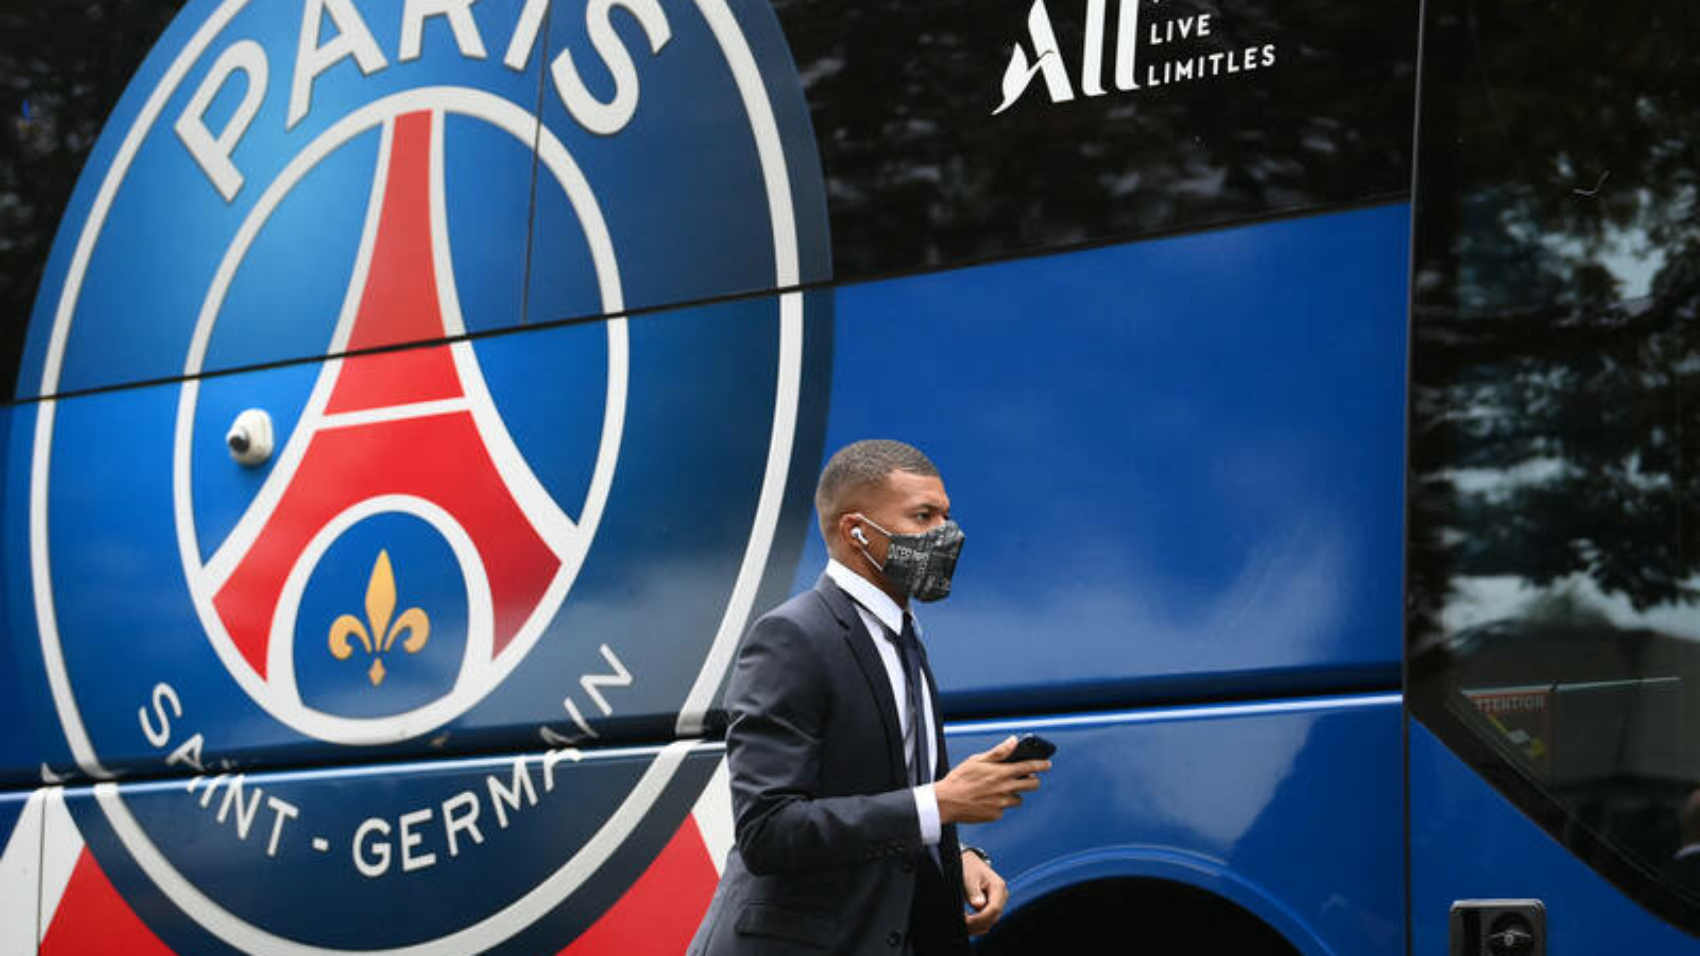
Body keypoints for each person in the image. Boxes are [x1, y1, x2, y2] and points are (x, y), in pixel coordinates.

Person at [689, 439, 1051, 955]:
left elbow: (883, 791)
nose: (947, 535)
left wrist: (955, 853)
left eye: (946, 515)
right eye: (923, 517)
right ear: (856, 531)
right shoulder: (792, 638)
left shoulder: (904, 635)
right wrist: (940, 803)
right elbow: (768, 831)